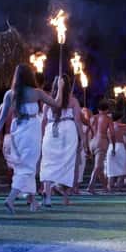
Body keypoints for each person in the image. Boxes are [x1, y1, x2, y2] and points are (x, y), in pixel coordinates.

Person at [0, 64, 63, 213]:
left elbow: (2, 118)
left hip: (17, 131)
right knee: (28, 167)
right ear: (31, 76)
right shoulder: (36, 93)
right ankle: (11, 198)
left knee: (23, 165)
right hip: (31, 131)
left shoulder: (10, 94)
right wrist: (60, 87)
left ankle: (33, 201)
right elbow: (57, 103)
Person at [39, 74, 84, 207]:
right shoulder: (73, 101)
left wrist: (42, 139)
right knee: (67, 164)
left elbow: (43, 121)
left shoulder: (48, 101)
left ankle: (47, 194)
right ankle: (65, 197)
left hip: (51, 132)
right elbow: (78, 121)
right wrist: (82, 138)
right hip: (67, 132)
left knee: (48, 162)